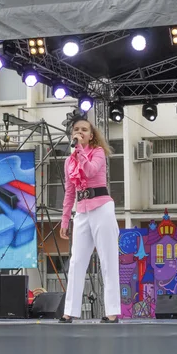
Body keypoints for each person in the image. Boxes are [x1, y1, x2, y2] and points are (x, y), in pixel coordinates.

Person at [58, 112, 121, 324]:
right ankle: (69, 311)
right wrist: (65, 220)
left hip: (102, 206)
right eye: (76, 130)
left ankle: (112, 311)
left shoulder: (98, 152)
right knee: (76, 262)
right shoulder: (69, 161)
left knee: (108, 259)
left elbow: (92, 171)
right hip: (82, 211)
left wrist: (81, 152)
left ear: (91, 135)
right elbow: (69, 192)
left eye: (84, 130)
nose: (79, 133)